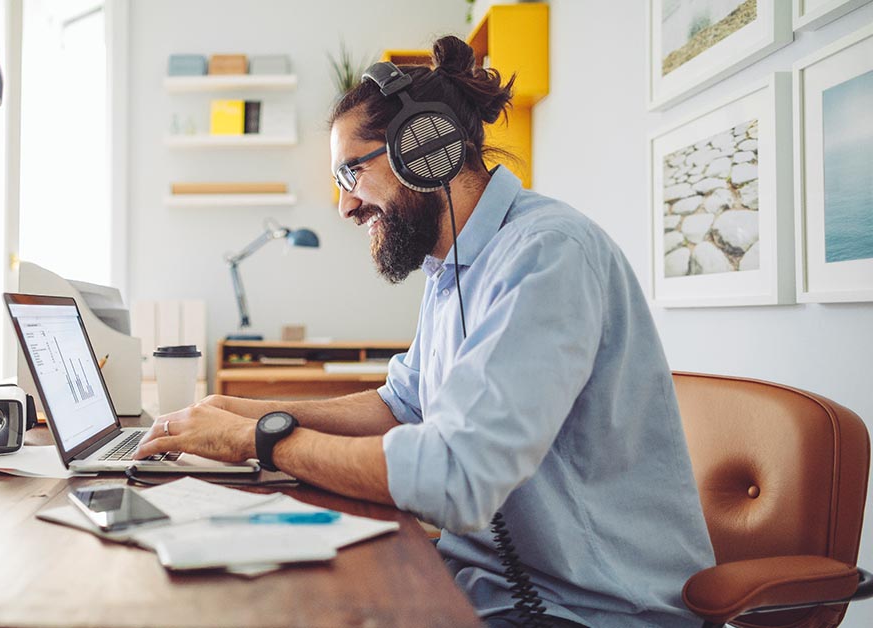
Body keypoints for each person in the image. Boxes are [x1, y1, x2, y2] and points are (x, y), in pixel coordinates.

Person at [137, 35, 715, 628]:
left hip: (588, 610)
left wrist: (257, 439)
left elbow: (454, 478)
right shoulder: (452, 267)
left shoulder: (547, 256)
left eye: (349, 172)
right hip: (482, 586)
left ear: (424, 148)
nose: (344, 207)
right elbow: (401, 405)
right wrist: (241, 409)